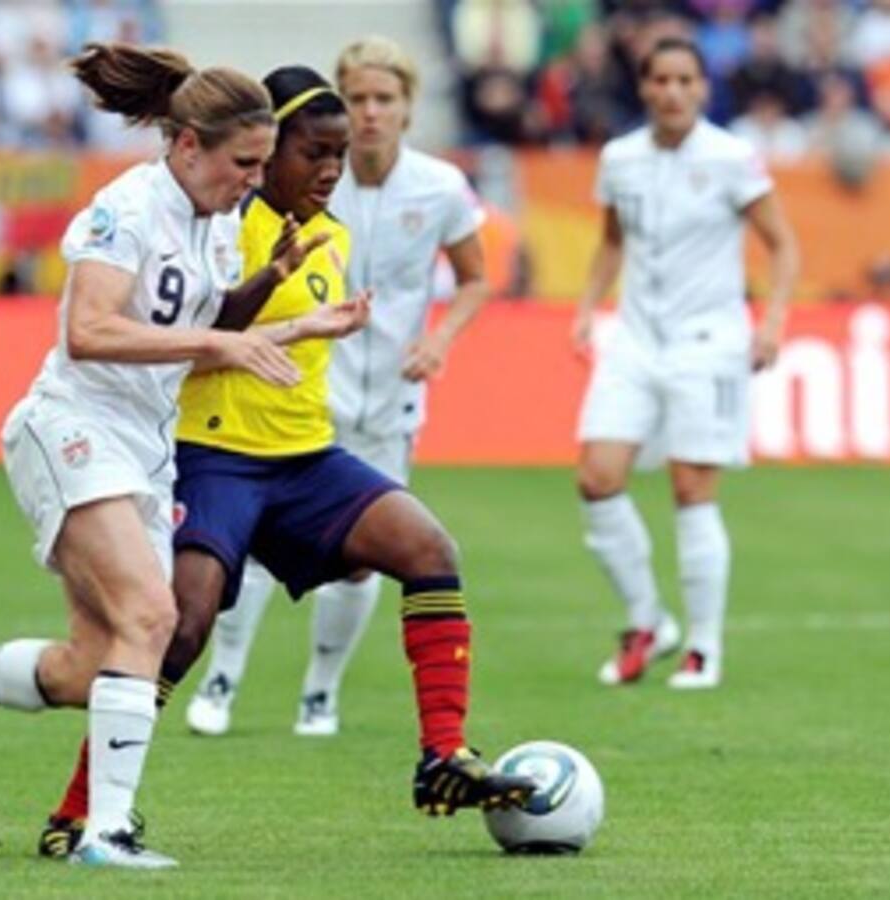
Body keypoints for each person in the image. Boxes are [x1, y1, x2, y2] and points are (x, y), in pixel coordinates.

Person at [0, 42, 350, 870]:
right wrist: (218, 346)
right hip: (73, 426)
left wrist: (282, 303)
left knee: (95, 666)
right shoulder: (127, 207)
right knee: (153, 615)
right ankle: (106, 835)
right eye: (244, 163)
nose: (255, 181)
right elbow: (88, 331)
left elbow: (209, 323)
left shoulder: (220, 222)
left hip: (144, 448)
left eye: (262, 164)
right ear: (186, 145)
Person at [37, 63, 533, 859]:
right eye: (314, 153)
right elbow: (189, 342)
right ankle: (78, 812)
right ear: (267, 156)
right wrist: (266, 294)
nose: (331, 169)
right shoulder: (220, 223)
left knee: (428, 548)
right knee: (178, 628)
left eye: (339, 154)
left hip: (305, 458)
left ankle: (442, 756)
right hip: (212, 457)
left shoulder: (329, 234)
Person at [185, 36, 492, 740]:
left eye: (385, 99)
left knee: (368, 562)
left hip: (388, 397)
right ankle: (223, 677)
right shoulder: (297, 180)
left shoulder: (441, 186)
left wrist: (439, 340)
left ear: (409, 107)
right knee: (247, 544)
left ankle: (321, 691)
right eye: (359, 98)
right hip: (301, 395)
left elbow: (476, 277)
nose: (371, 112)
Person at [572, 36, 799, 691]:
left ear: (702, 88)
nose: (671, 92)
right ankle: (648, 620)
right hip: (636, 339)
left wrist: (773, 321)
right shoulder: (620, 158)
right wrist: (587, 307)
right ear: (643, 87)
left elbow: (783, 245)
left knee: (692, 489)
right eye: (660, 80)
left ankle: (703, 646)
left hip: (709, 341)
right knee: (597, 478)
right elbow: (611, 240)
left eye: (684, 80)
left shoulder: (731, 158)